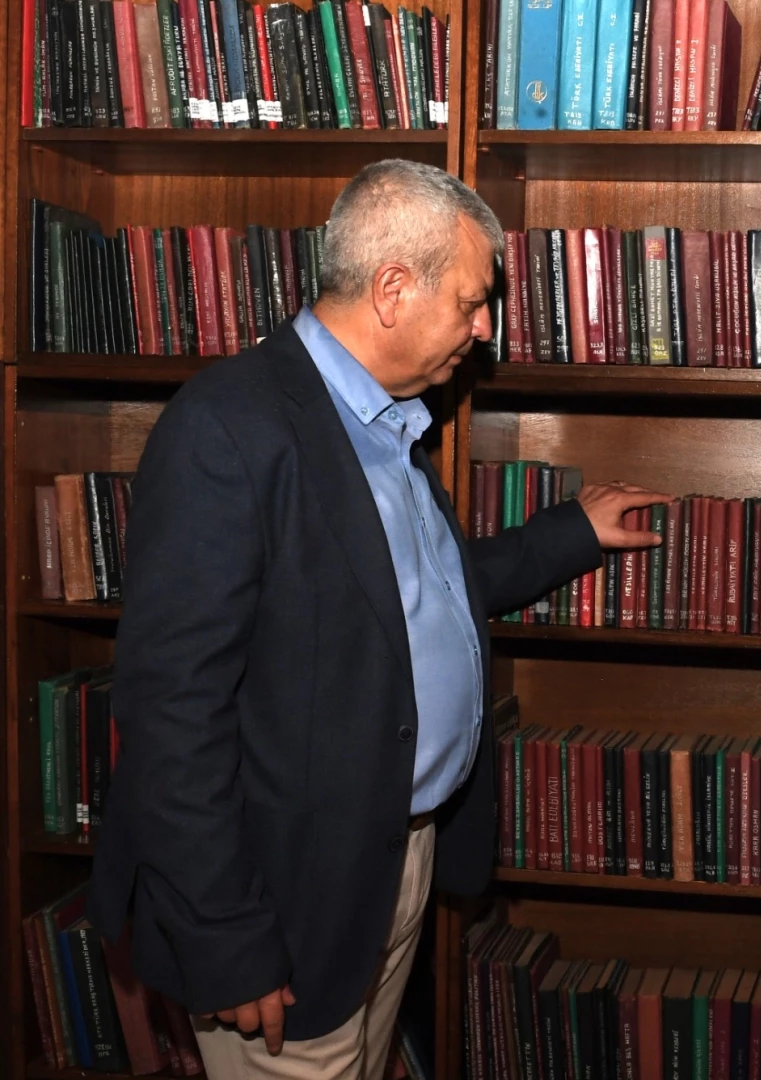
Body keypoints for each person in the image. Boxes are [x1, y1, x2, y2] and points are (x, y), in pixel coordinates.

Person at [87, 159, 667, 1079]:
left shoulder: (386, 419)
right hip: (284, 893)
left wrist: (570, 535)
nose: (486, 328)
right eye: (472, 302)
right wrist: (225, 934)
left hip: (393, 859)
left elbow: (412, 596)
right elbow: (170, 715)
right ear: (393, 290)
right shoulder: (228, 428)